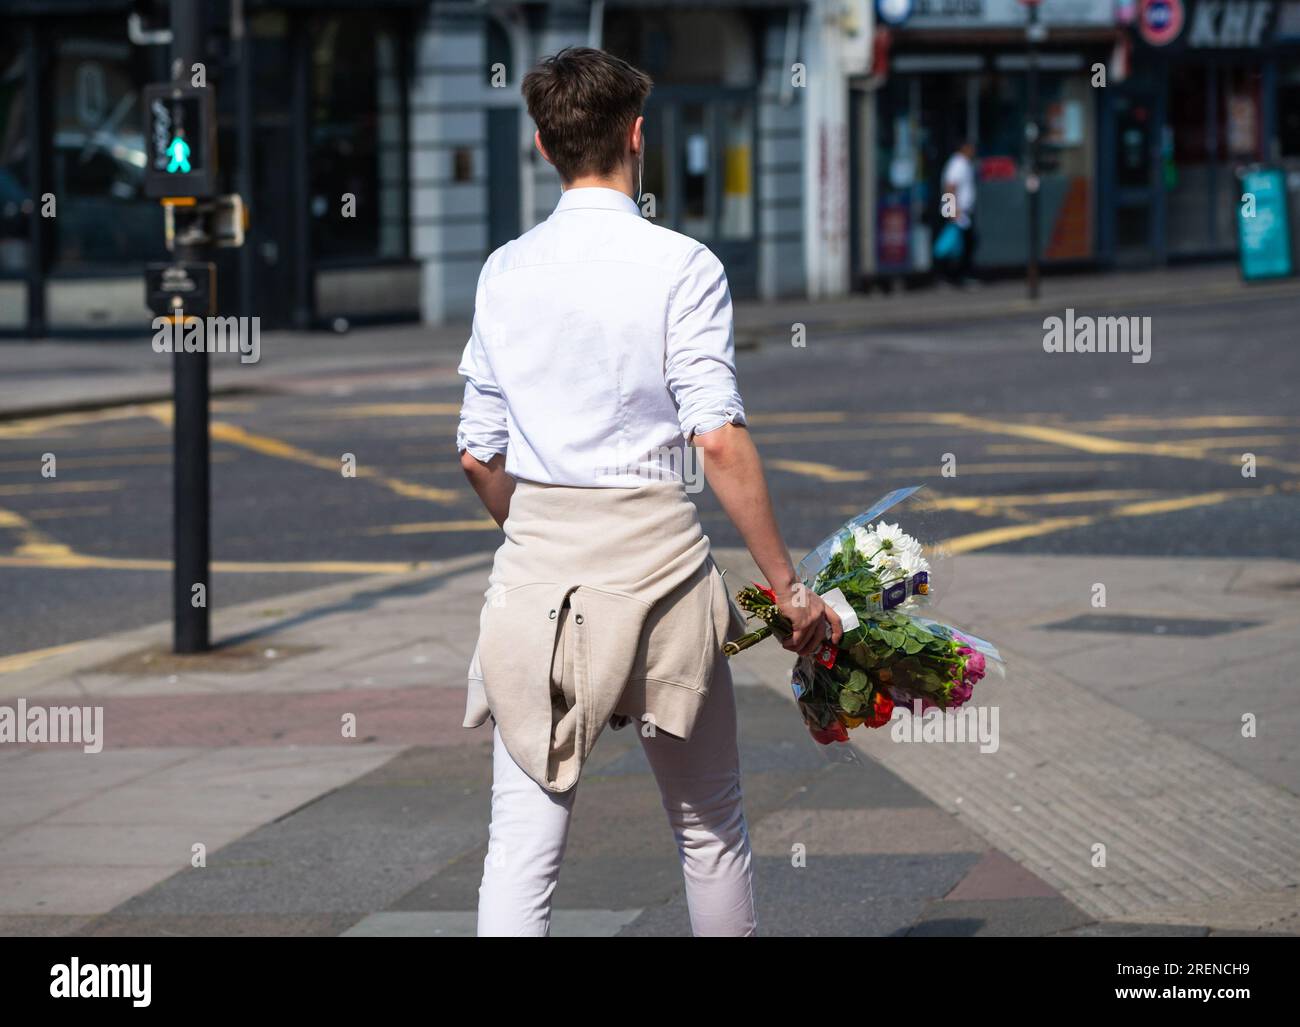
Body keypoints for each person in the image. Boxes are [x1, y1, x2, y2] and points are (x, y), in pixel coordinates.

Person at [455, 46, 842, 937]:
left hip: (539, 590)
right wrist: (788, 588)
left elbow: (477, 456)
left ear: (543, 146)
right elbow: (717, 438)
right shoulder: (683, 265)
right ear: (638, 136)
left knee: (520, 851)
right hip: (665, 583)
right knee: (709, 830)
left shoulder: (503, 272)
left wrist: (547, 533)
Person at [940, 139, 979, 287]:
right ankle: (953, 277)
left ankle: (955, 276)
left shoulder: (962, 163)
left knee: (963, 244)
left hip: (961, 212)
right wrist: (950, 209)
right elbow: (950, 186)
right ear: (965, 148)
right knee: (960, 245)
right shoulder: (958, 164)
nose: (973, 152)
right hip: (958, 213)